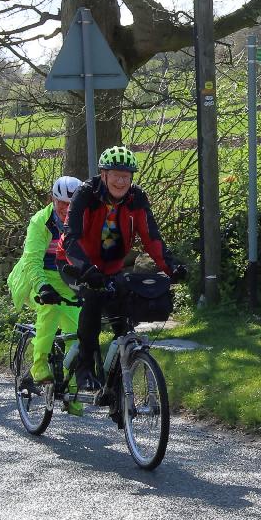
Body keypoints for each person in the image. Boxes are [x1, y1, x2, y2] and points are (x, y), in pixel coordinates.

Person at [60, 145, 188, 393]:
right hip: (75, 265)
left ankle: (118, 387)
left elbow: (151, 237)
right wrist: (85, 269)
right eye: (116, 174)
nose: (121, 181)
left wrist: (171, 268)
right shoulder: (85, 194)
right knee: (93, 300)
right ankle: (85, 368)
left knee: (124, 317)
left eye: (127, 176)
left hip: (111, 267)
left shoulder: (136, 198)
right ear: (103, 175)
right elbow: (70, 239)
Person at [8, 174, 85, 387]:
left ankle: (72, 387)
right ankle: (39, 366)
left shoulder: (84, 222)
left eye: (72, 204)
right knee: (49, 310)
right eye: (62, 203)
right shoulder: (40, 221)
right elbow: (32, 261)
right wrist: (42, 287)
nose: (67, 208)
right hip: (35, 278)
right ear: (53, 199)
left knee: (79, 331)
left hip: (66, 280)